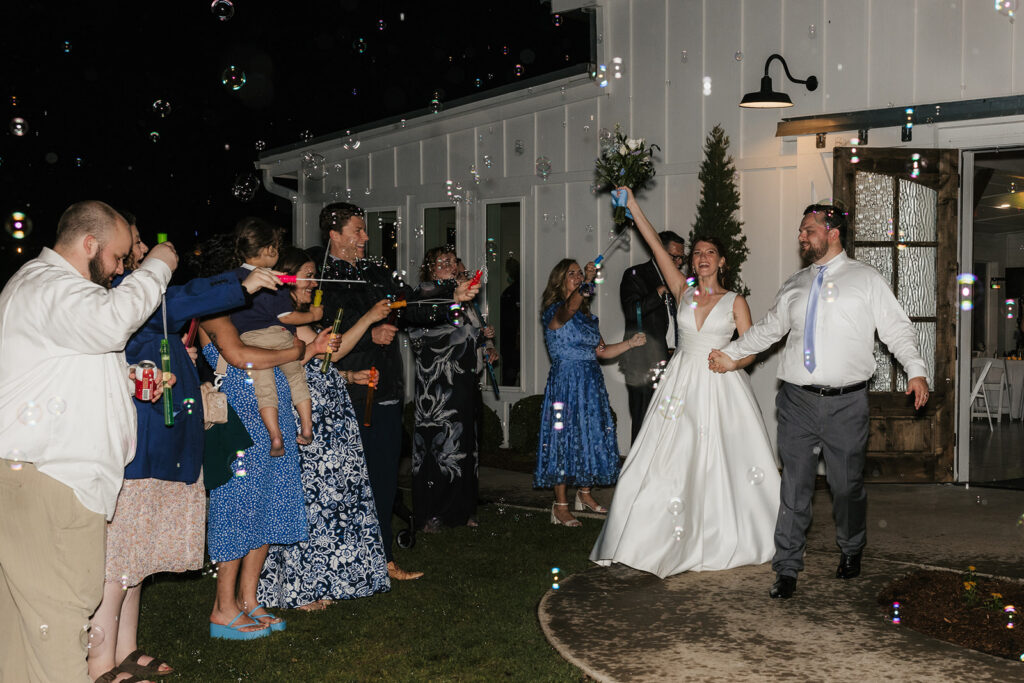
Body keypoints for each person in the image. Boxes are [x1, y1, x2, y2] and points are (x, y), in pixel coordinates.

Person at [87, 217, 281, 681]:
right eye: (135, 242)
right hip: (142, 445)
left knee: (142, 558)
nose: (140, 247)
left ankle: (127, 650)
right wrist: (240, 280)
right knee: (121, 558)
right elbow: (172, 304)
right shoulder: (123, 297)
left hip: (168, 441)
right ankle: (99, 664)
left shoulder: (140, 292)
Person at [709, 203, 930, 600]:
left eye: (808, 229)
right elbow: (768, 330)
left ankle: (851, 546)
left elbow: (897, 330)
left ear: (832, 233)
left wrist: (916, 370)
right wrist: (730, 353)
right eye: (800, 230)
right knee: (794, 488)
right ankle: (787, 568)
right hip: (796, 401)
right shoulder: (795, 284)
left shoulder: (866, 280)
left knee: (846, 488)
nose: (801, 236)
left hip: (847, 404)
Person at [0, 201, 177, 683]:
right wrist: (160, 263)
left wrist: (130, 378)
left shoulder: (51, 292)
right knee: (62, 619)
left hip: (37, 476)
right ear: (90, 244)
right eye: (120, 258)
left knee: (26, 630)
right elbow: (112, 320)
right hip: (55, 482)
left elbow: (73, 363)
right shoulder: (49, 285)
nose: (123, 269)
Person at [590, 188, 781, 578]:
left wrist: (731, 361)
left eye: (709, 252)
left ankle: (718, 534)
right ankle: (649, 539)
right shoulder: (682, 290)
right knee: (661, 461)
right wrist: (633, 206)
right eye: (696, 253)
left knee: (716, 464)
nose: (702, 257)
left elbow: (751, 350)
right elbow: (654, 245)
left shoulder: (735, 301)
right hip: (679, 383)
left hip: (720, 384)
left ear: (722, 261)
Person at [317, 203, 480, 580]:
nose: (366, 237)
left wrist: (452, 295)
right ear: (336, 235)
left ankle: (383, 558)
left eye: (364, 230)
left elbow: (411, 305)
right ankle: (343, 562)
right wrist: (367, 337)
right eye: (357, 230)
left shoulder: (375, 271)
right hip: (345, 393)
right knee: (344, 482)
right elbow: (323, 335)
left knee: (384, 480)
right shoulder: (323, 277)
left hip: (385, 390)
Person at [192, 234, 312, 640]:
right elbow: (241, 356)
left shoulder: (259, 308)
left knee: (267, 504)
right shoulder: (214, 307)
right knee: (237, 506)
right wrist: (292, 354)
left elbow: (299, 320)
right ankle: (222, 609)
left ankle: (248, 599)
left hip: (270, 421)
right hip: (239, 425)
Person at [535, 258, 646, 527]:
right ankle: (560, 506)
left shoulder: (588, 318)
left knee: (590, 435)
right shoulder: (554, 312)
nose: (576, 276)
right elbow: (569, 308)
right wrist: (586, 280)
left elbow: (602, 351)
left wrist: (630, 344)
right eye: (571, 273)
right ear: (559, 280)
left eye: (578, 273)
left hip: (590, 382)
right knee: (563, 440)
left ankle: (584, 495)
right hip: (565, 383)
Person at [408, 248, 491, 532]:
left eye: (451, 261)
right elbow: (424, 323)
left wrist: (484, 344)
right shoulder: (424, 294)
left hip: (463, 383)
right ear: (429, 270)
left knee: (466, 448)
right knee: (437, 449)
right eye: (441, 263)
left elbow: (468, 333)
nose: (449, 266)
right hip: (437, 387)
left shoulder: (461, 296)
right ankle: (433, 513)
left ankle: (463, 510)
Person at [228, 218, 316, 457]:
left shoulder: (233, 280)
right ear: (269, 249)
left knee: (264, 389)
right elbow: (286, 317)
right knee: (297, 378)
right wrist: (312, 315)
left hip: (250, 341)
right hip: (277, 336)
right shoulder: (271, 280)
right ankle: (307, 427)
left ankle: (275, 437)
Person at [619, 230, 686, 443]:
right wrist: (658, 293)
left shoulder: (680, 281)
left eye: (681, 257)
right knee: (644, 422)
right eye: (674, 257)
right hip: (644, 363)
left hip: (674, 361)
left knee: (670, 423)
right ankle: (637, 475)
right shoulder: (636, 275)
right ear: (659, 252)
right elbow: (632, 311)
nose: (678, 262)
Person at [500, 257, 521, 386]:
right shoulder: (510, 293)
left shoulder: (511, 292)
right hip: (511, 343)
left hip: (511, 343)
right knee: (511, 374)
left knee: (510, 376)